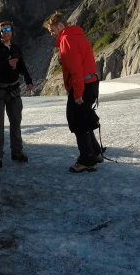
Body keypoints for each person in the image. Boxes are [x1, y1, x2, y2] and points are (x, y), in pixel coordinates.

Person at [44, 13, 104, 173]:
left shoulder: (67, 39)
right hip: (91, 83)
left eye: (51, 30)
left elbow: (76, 69)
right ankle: (96, 153)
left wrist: (77, 93)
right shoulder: (77, 35)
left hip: (82, 85)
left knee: (77, 122)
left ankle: (87, 159)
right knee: (84, 119)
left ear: (60, 26)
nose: (51, 33)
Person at [0, 21, 34, 168]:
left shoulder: (16, 48)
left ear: (12, 31)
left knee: (16, 123)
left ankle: (17, 152)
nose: (6, 32)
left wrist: (28, 80)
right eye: (2, 30)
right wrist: (7, 64)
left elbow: (22, 65)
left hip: (13, 89)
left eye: (8, 29)